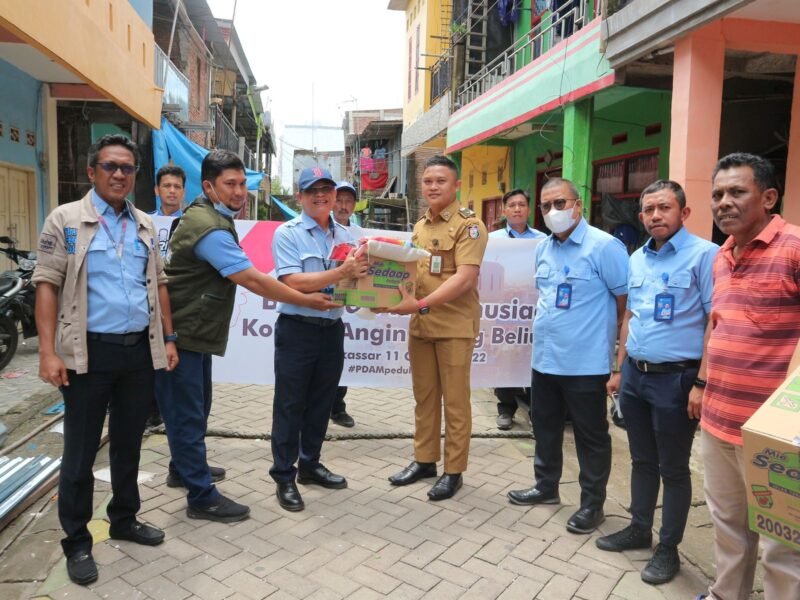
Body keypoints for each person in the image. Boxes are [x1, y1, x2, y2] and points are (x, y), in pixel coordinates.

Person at [157, 152, 338, 523]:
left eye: (242, 183)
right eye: (230, 184)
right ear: (209, 187)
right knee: (188, 415)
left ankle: (183, 468)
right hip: (182, 334)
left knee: (196, 409)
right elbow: (253, 279)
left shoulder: (212, 217)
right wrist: (307, 300)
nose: (239, 192)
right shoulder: (208, 227)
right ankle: (201, 496)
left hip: (193, 331)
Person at [33, 134, 179, 586]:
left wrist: (169, 338)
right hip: (87, 354)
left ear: (135, 176)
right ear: (92, 172)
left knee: (129, 442)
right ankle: (77, 541)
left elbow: (159, 284)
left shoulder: (144, 225)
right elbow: (47, 285)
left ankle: (124, 517)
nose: (119, 174)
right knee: (80, 451)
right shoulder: (66, 220)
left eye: (127, 168)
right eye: (110, 166)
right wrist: (47, 351)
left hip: (137, 352)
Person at [596, 180, 718, 585]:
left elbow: (714, 323)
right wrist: (619, 370)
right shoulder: (636, 259)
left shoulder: (705, 255)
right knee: (641, 459)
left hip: (677, 379)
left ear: (684, 212)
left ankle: (669, 548)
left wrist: (701, 382)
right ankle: (639, 528)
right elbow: (630, 316)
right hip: (636, 375)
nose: (655, 216)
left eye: (664, 208)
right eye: (648, 210)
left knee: (674, 467)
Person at [694, 153, 800, 600]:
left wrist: (788, 416)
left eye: (737, 192)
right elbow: (717, 325)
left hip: (774, 433)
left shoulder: (794, 247)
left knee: (783, 542)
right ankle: (726, 594)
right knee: (729, 524)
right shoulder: (721, 255)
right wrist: (701, 384)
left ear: (768, 197)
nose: (723, 202)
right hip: (719, 418)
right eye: (718, 194)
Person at [507, 177, 628, 535]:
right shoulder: (543, 248)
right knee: (544, 427)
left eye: (560, 203)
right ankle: (546, 487)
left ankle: (592, 505)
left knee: (591, 437)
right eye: (546, 206)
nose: (553, 211)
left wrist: (617, 360)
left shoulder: (604, 247)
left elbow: (625, 304)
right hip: (545, 359)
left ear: (578, 205)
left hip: (585, 364)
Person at [384, 155, 488, 501]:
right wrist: (386, 296)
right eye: (427, 181)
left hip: (454, 327)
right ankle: (424, 460)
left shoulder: (470, 226)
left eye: (440, 181)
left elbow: (465, 278)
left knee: (455, 403)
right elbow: (413, 273)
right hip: (422, 325)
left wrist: (420, 304)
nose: (432, 186)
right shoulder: (421, 225)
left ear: (456, 185)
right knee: (425, 398)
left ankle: (453, 471)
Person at [270, 166, 369, 512]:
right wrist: (342, 271)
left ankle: (310, 464)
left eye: (326, 189)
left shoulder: (348, 237)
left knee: (321, 403)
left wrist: (369, 288)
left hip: (332, 330)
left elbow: (356, 282)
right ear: (299, 196)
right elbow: (292, 282)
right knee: (290, 404)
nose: (320, 196)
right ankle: (284, 475)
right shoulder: (288, 233)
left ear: (334, 195)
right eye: (312, 190)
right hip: (297, 330)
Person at [488, 188, 546, 430]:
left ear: (529, 209)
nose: (517, 209)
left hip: (532, 309)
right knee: (506, 356)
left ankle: (534, 410)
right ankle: (506, 409)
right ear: (504, 210)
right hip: (504, 311)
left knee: (531, 358)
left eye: (521, 204)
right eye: (512, 205)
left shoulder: (542, 240)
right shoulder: (493, 239)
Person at [329, 180, 360, 428]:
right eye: (339, 200)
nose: (343, 206)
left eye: (348, 201)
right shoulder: (322, 228)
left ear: (354, 206)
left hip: (353, 306)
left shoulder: (359, 234)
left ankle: (337, 407)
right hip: (324, 302)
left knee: (341, 361)